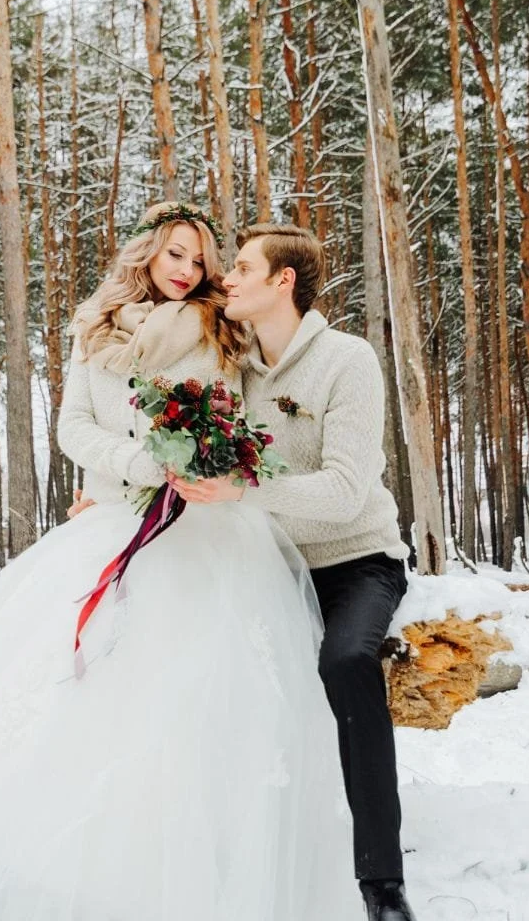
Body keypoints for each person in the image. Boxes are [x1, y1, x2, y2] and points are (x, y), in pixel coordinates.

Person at [0, 202, 360, 921]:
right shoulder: (96, 328)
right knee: (50, 686)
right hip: (119, 516)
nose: (187, 270)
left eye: (199, 258)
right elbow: (73, 426)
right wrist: (134, 465)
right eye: (175, 255)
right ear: (147, 256)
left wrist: (210, 464)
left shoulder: (226, 330)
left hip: (209, 530)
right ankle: (13, 854)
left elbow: (250, 422)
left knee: (191, 701)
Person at [169, 223, 418, 921]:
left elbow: (344, 493)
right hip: (268, 565)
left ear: (284, 281)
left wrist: (246, 492)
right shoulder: (236, 369)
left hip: (357, 561)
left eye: (243, 268)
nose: (228, 279)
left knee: (344, 662)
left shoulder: (348, 360)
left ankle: (383, 884)